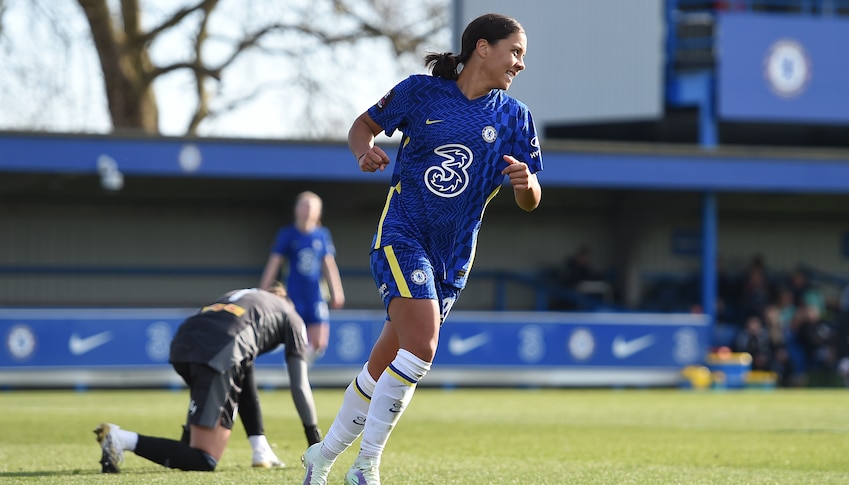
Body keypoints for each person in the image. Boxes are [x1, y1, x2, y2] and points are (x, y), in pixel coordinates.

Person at [300, 12, 542, 485]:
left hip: (452, 261)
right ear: (483, 48)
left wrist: (526, 183)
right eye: (515, 52)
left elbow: (531, 200)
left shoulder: (515, 118)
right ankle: (366, 467)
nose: (521, 64)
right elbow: (362, 126)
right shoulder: (419, 91)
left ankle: (321, 458)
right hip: (402, 236)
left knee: (382, 366)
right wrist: (362, 150)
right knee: (423, 346)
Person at [93, 283, 322, 473]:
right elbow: (300, 385)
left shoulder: (246, 297)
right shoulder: (292, 315)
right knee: (204, 459)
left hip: (184, 342)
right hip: (219, 349)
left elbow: (244, 377)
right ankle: (120, 439)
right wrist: (316, 444)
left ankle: (261, 449)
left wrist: (258, 445)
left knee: (187, 448)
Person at [259, 191, 345, 363]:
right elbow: (274, 263)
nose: (307, 210)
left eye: (311, 207)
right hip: (293, 294)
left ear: (318, 212)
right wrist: (262, 291)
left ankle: (301, 369)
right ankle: (296, 373)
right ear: (296, 209)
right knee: (296, 339)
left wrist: (337, 291)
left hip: (316, 295)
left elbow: (329, 265)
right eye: (303, 205)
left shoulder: (322, 234)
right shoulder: (287, 234)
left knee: (320, 343)